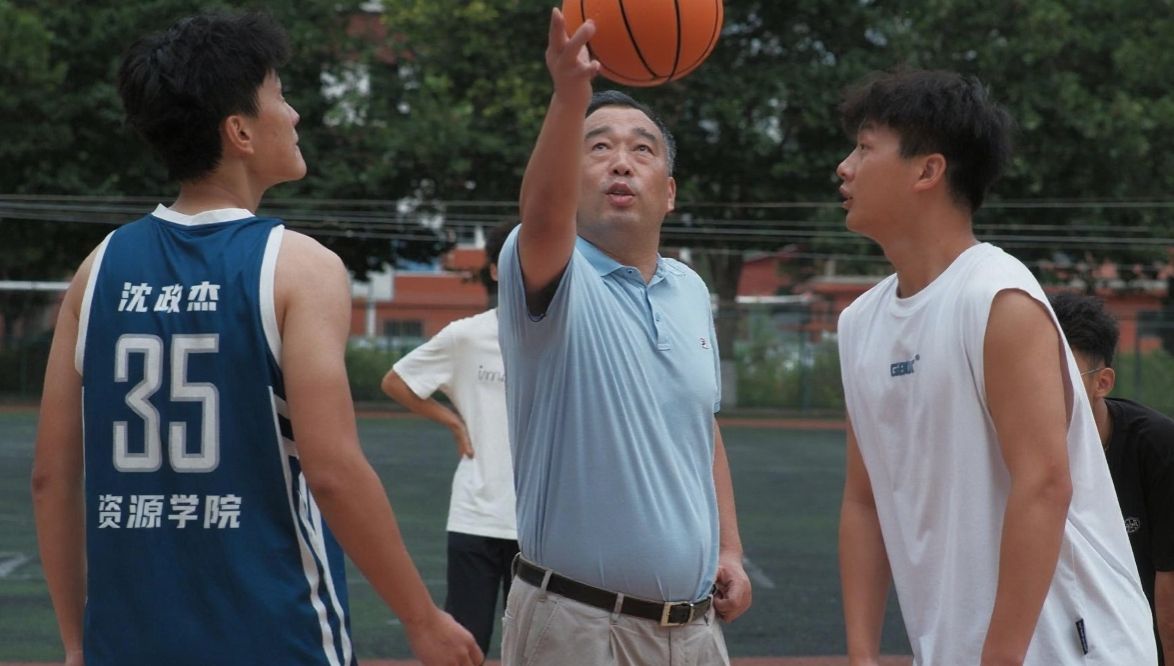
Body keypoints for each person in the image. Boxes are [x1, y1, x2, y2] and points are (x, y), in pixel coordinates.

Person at [29, 11, 481, 666]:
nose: (294, 114)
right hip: (277, 637)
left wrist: (77, 644)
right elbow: (332, 471)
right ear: (239, 131)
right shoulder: (299, 267)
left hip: (126, 644)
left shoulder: (96, 270)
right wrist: (421, 617)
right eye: (280, 95)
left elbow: (50, 478)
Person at [834, 69, 1156, 665]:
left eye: (864, 147)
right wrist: (861, 655)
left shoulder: (998, 299)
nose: (844, 167)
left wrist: (999, 658)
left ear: (928, 171)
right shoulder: (858, 323)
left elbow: (1045, 484)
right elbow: (864, 499)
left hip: (1069, 648)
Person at [493, 9, 751, 665]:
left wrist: (729, 548)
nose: (621, 162)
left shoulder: (689, 289)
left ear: (669, 192)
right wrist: (568, 94)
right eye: (598, 146)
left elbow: (701, 426)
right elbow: (542, 213)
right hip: (579, 627)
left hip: (694, 631)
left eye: (642, 149)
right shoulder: (549, 273)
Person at [381, 222, 518, 655]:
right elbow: (397, 381)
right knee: (464, 646)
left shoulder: (569, 338)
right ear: (494, 270)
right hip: (476, 516)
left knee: (539, 648)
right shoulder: (467, 336)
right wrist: (454, 422)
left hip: (545, 526)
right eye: (515, 260)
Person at [1050, 292, 1174, 665]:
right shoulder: (1008, 448)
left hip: (1139, 641)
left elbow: (1168, 582)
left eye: (1061, 377)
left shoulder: (1157, 447)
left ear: (1102, 383)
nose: (1040, 390)